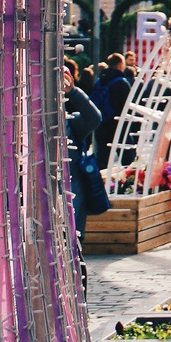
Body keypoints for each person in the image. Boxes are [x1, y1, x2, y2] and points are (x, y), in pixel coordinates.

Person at [64, 64, 103, 243]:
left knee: (74, 251)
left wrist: (73, 92)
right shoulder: (26, 127)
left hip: (72, 203)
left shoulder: (70, 125)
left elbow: (94, 118)